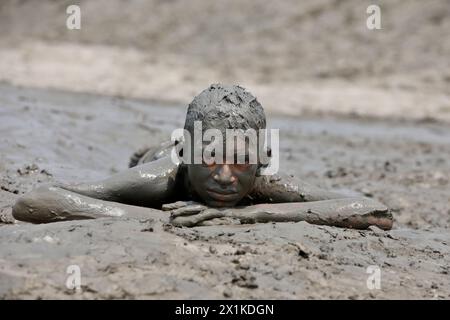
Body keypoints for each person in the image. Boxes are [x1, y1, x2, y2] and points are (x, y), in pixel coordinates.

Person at [12, 84, 392, 230]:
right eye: (211, 159)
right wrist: (174, 217)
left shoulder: (265, 181)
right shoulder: (166, 175)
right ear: (186, 153)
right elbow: (36, 202)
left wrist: (248, 213)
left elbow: (377, 211)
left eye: (241, 162)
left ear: (263, 158)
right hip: (155, 155)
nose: (226, 176)